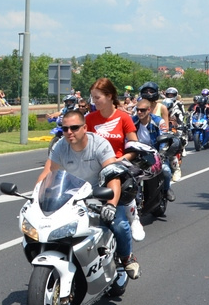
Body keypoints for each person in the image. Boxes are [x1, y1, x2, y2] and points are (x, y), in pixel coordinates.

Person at [37, 109, 140, 279]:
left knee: (119, 224)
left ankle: (127, 258)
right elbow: (48, 174)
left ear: (85, 128)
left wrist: (111, 205)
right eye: (65, 129)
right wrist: (36, 198)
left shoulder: (99, 144)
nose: (69, 132)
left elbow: (112, 175)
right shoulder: (60, 146)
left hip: (101, 193)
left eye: (74, 128)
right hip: (73, 197)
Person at [84, 78, 143, 244]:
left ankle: (133, 217)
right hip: (95, 166)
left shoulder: (124, 118)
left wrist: (120, 160)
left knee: (125, 186)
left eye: (97, 98)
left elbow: (134, 146)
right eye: (92, 98)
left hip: (118, 164)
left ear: (109, 96)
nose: (94, 102)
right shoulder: (89, 119)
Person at [133, 97, 175, 202]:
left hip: (154, 154)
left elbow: (164, 138)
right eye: (137, 109)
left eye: (142, 110)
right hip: (136, 153)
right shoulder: (132, 121)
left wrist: (161, 153)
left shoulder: (158, 121)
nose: (139, 112)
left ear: (149, 110)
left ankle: (166, 189)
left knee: (165, 170)